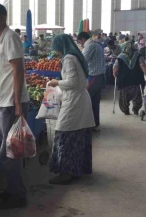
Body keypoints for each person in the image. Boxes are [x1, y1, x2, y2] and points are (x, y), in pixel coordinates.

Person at [0, 2, 30, 209]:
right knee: (5, 150)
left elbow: (18, 71)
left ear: (3, 17)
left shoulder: (10, 37)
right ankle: (12, 189)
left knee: (10, 152)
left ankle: (18, 195)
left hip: (10, 104)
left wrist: (17, 104)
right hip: (1, 103)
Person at [47, 34, 95, 185]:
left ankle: (66, 172)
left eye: (56, 48)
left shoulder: (68, 58)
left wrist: (56, 82)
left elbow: (72, 81)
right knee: (78, 134)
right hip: (80, 98)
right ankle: (77, 168)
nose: (56, 52)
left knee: (63, 133)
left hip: (75, 100)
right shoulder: (75, 55)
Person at [77, 32, 105, 132]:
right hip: (99, 76)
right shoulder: (97, 45)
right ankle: (95, 124)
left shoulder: (90, 47)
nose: (80, 44)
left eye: (80, 42)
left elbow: (82, 61)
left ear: (83, 39)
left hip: (94, 76)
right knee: (94, 102)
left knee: (84, 99)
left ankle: (86, 125)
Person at [113, 42, 146, 115]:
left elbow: (115, 67)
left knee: (124, 97)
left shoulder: (120, 56)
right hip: (136, 81)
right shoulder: (139, 55)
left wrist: (114, 74)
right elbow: (143, 65)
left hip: (124, 81)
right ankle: (136, 109)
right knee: (137, 96)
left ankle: (125, 110)